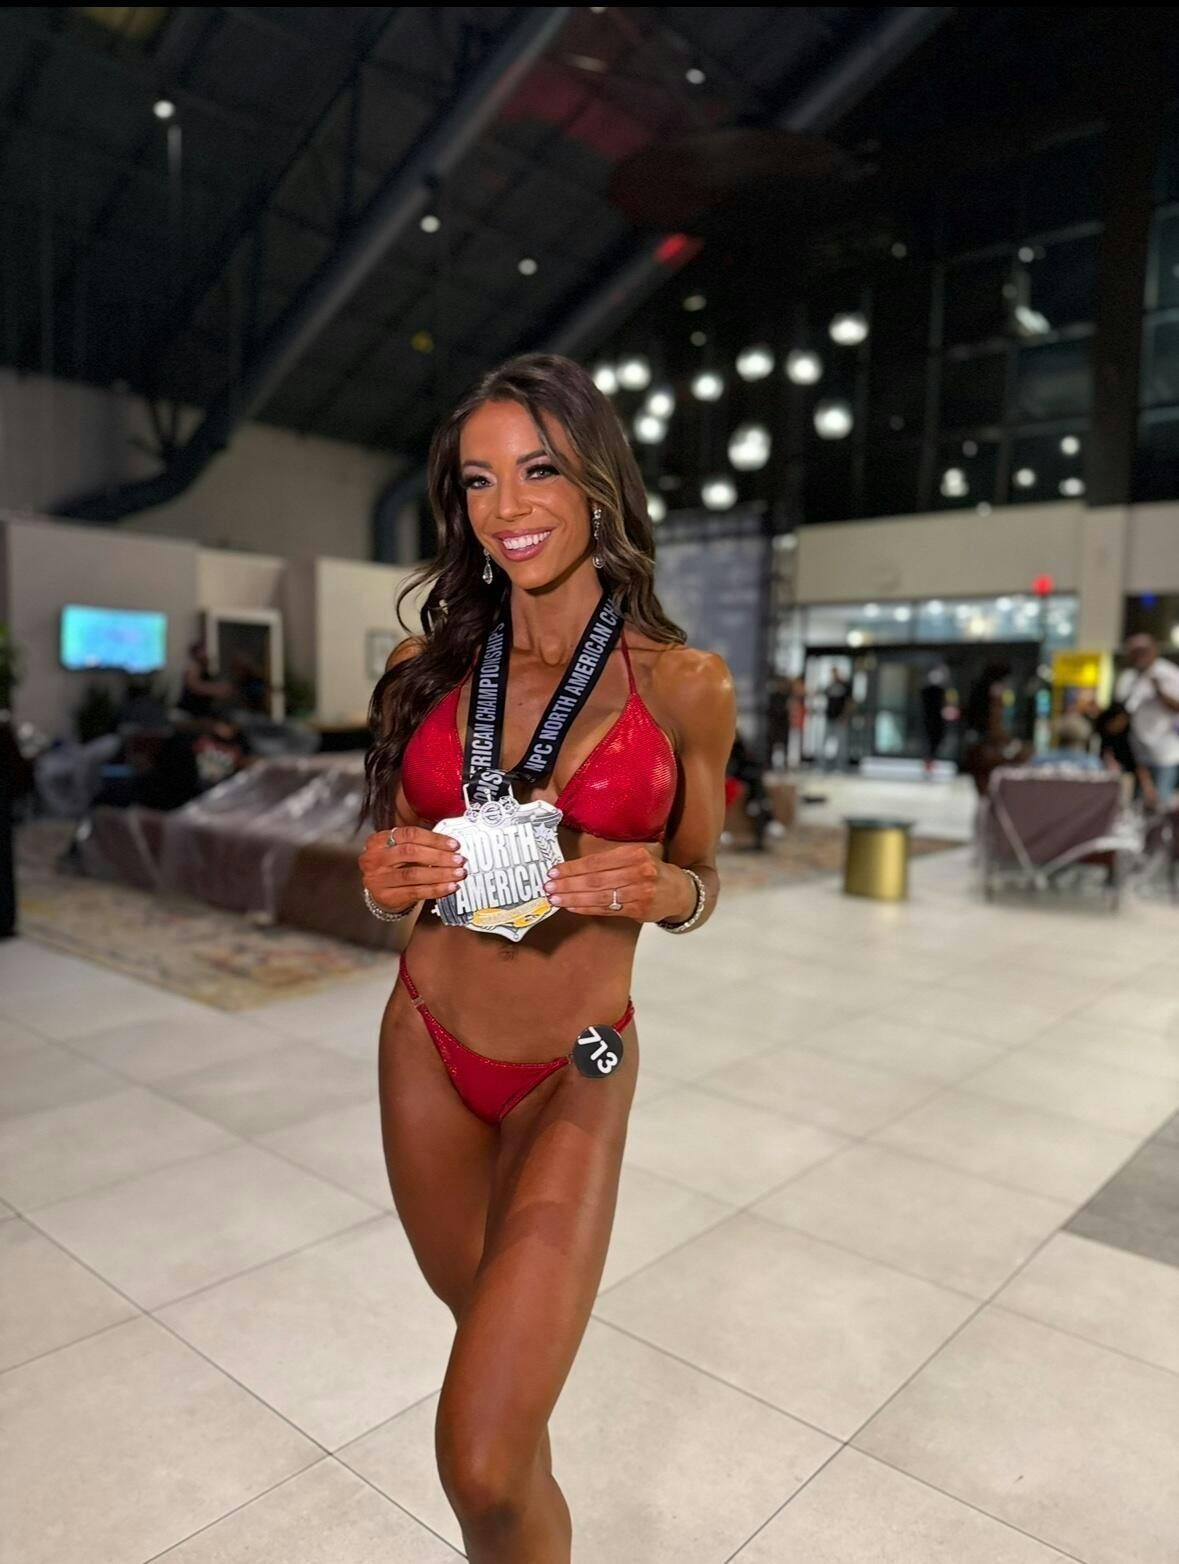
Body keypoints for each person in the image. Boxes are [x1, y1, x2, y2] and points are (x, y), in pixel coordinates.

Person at [357, 354, 735, 1563]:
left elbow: (701, 877)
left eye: (539, 471)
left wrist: (665, 886)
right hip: (428, 1045)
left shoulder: (684, 686)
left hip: (580, 1060)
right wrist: (383, 874)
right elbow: (395, 854)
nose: (507, 507)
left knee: (480, 1454)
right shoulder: (423, 675)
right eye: (478, 481)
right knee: (507, 1431)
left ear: (597, 483)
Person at [1116, 634, 1179, 809]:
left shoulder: (1169, 673)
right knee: (1137, 803)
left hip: (1165, 751)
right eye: (1134, 652)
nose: (1139, 656)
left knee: (1161, 802)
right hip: (1137, 750)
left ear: (1153, 651)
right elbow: (1122, 709)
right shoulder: (1128, 677)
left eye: (1143, 651)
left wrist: (1159, 692)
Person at [176, 641, 232, 718]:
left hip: (200, 711)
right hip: (190, 712)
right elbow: (195, 686)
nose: (207, 654)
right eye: (204, 651)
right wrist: (216, 689)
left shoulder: (204, 669)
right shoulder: (194, 667)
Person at [919, 662, 949, 775]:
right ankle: (928, 761)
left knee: (934, 741)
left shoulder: (938, 691)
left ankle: (930, 761)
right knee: (929, 741)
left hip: (936, 720)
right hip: (930, 720)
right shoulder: (928, 692)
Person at [822, 666, 853, 772]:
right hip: (830, 717)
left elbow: (849, 702)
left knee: (841, 743)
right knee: (825, 742)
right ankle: (824, 766)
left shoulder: (845, 686)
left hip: (840, 718)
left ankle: (841, 767)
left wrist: (845, 716)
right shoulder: (830, 686)